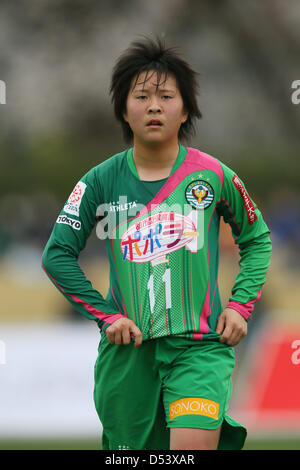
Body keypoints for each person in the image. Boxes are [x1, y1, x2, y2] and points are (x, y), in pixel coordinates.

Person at [42, 36, 272, 450]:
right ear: (123, 109)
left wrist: (240, 305)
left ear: (185, 110)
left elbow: (256, 239)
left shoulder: (214, 177)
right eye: (141, 96)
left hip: (199, 349)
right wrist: (107, 315)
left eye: (166, 96)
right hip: (128, 355)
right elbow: (57, 254)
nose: (153, 106)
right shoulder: (99, 181)